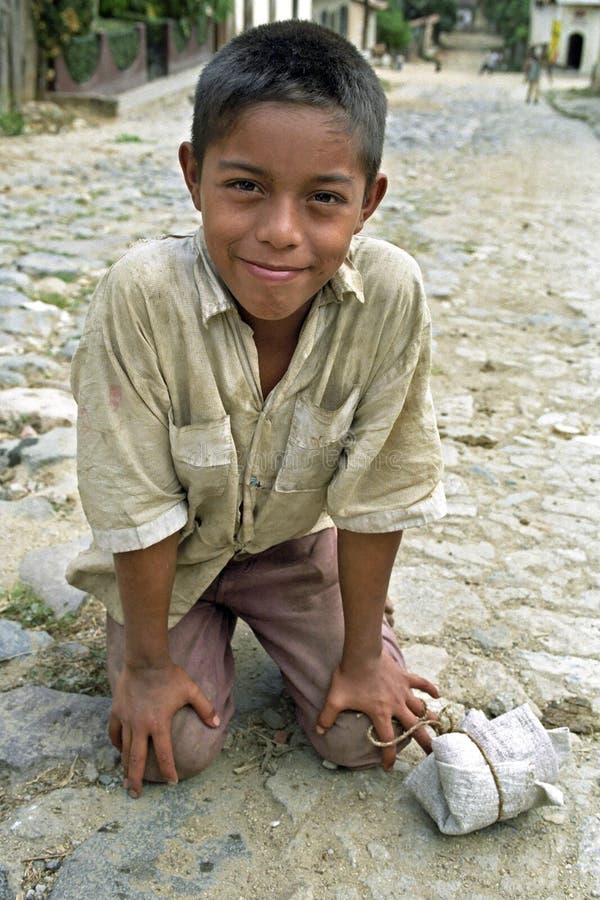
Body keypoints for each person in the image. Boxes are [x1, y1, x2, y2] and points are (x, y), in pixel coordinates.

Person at [67, 20, 446, 800]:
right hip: (170, 564)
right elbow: (134, 500)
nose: (280, 234)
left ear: (369, 201)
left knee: (358, 736)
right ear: (192, 173)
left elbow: (381, 489)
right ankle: (164, 635)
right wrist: (145, 667)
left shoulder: (391, 296)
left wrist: (363, 663)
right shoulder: (142, 297)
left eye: (323, 199)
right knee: (176, 743)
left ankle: (348, 616)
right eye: (244, 186)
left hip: (291, 547)